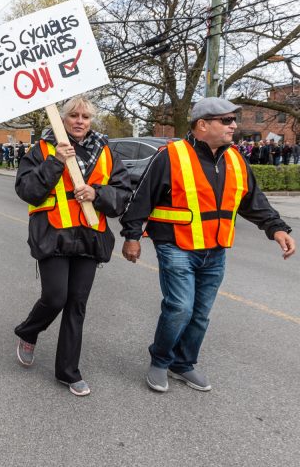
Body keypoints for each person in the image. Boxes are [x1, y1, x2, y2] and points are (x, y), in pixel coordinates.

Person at [121, 97, 295, 393]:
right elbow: (143, 198)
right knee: (179, 307)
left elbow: (253, 201)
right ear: (202, 125)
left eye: (233, 120)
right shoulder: (170, 155)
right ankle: (161, 361)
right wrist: (132, 237)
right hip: (176, 246)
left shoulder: (236, 159)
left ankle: (183, 364)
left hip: (215, 250)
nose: (234, 126)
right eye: (226, 121)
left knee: (200, 313)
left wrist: (277, 228)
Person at [13, 96, 132, 397]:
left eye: (86, 117)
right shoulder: (42, 149)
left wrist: (98, 192)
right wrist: (55, 161)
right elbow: (28, 191)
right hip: (53, 235)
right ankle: (29, 332)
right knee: (55, 298)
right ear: (62, 119)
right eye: (74, 116)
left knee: (76, 304)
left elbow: (122, 194)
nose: (80, 121)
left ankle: (68, 371)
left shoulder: (105, 151)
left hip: (90, 237)